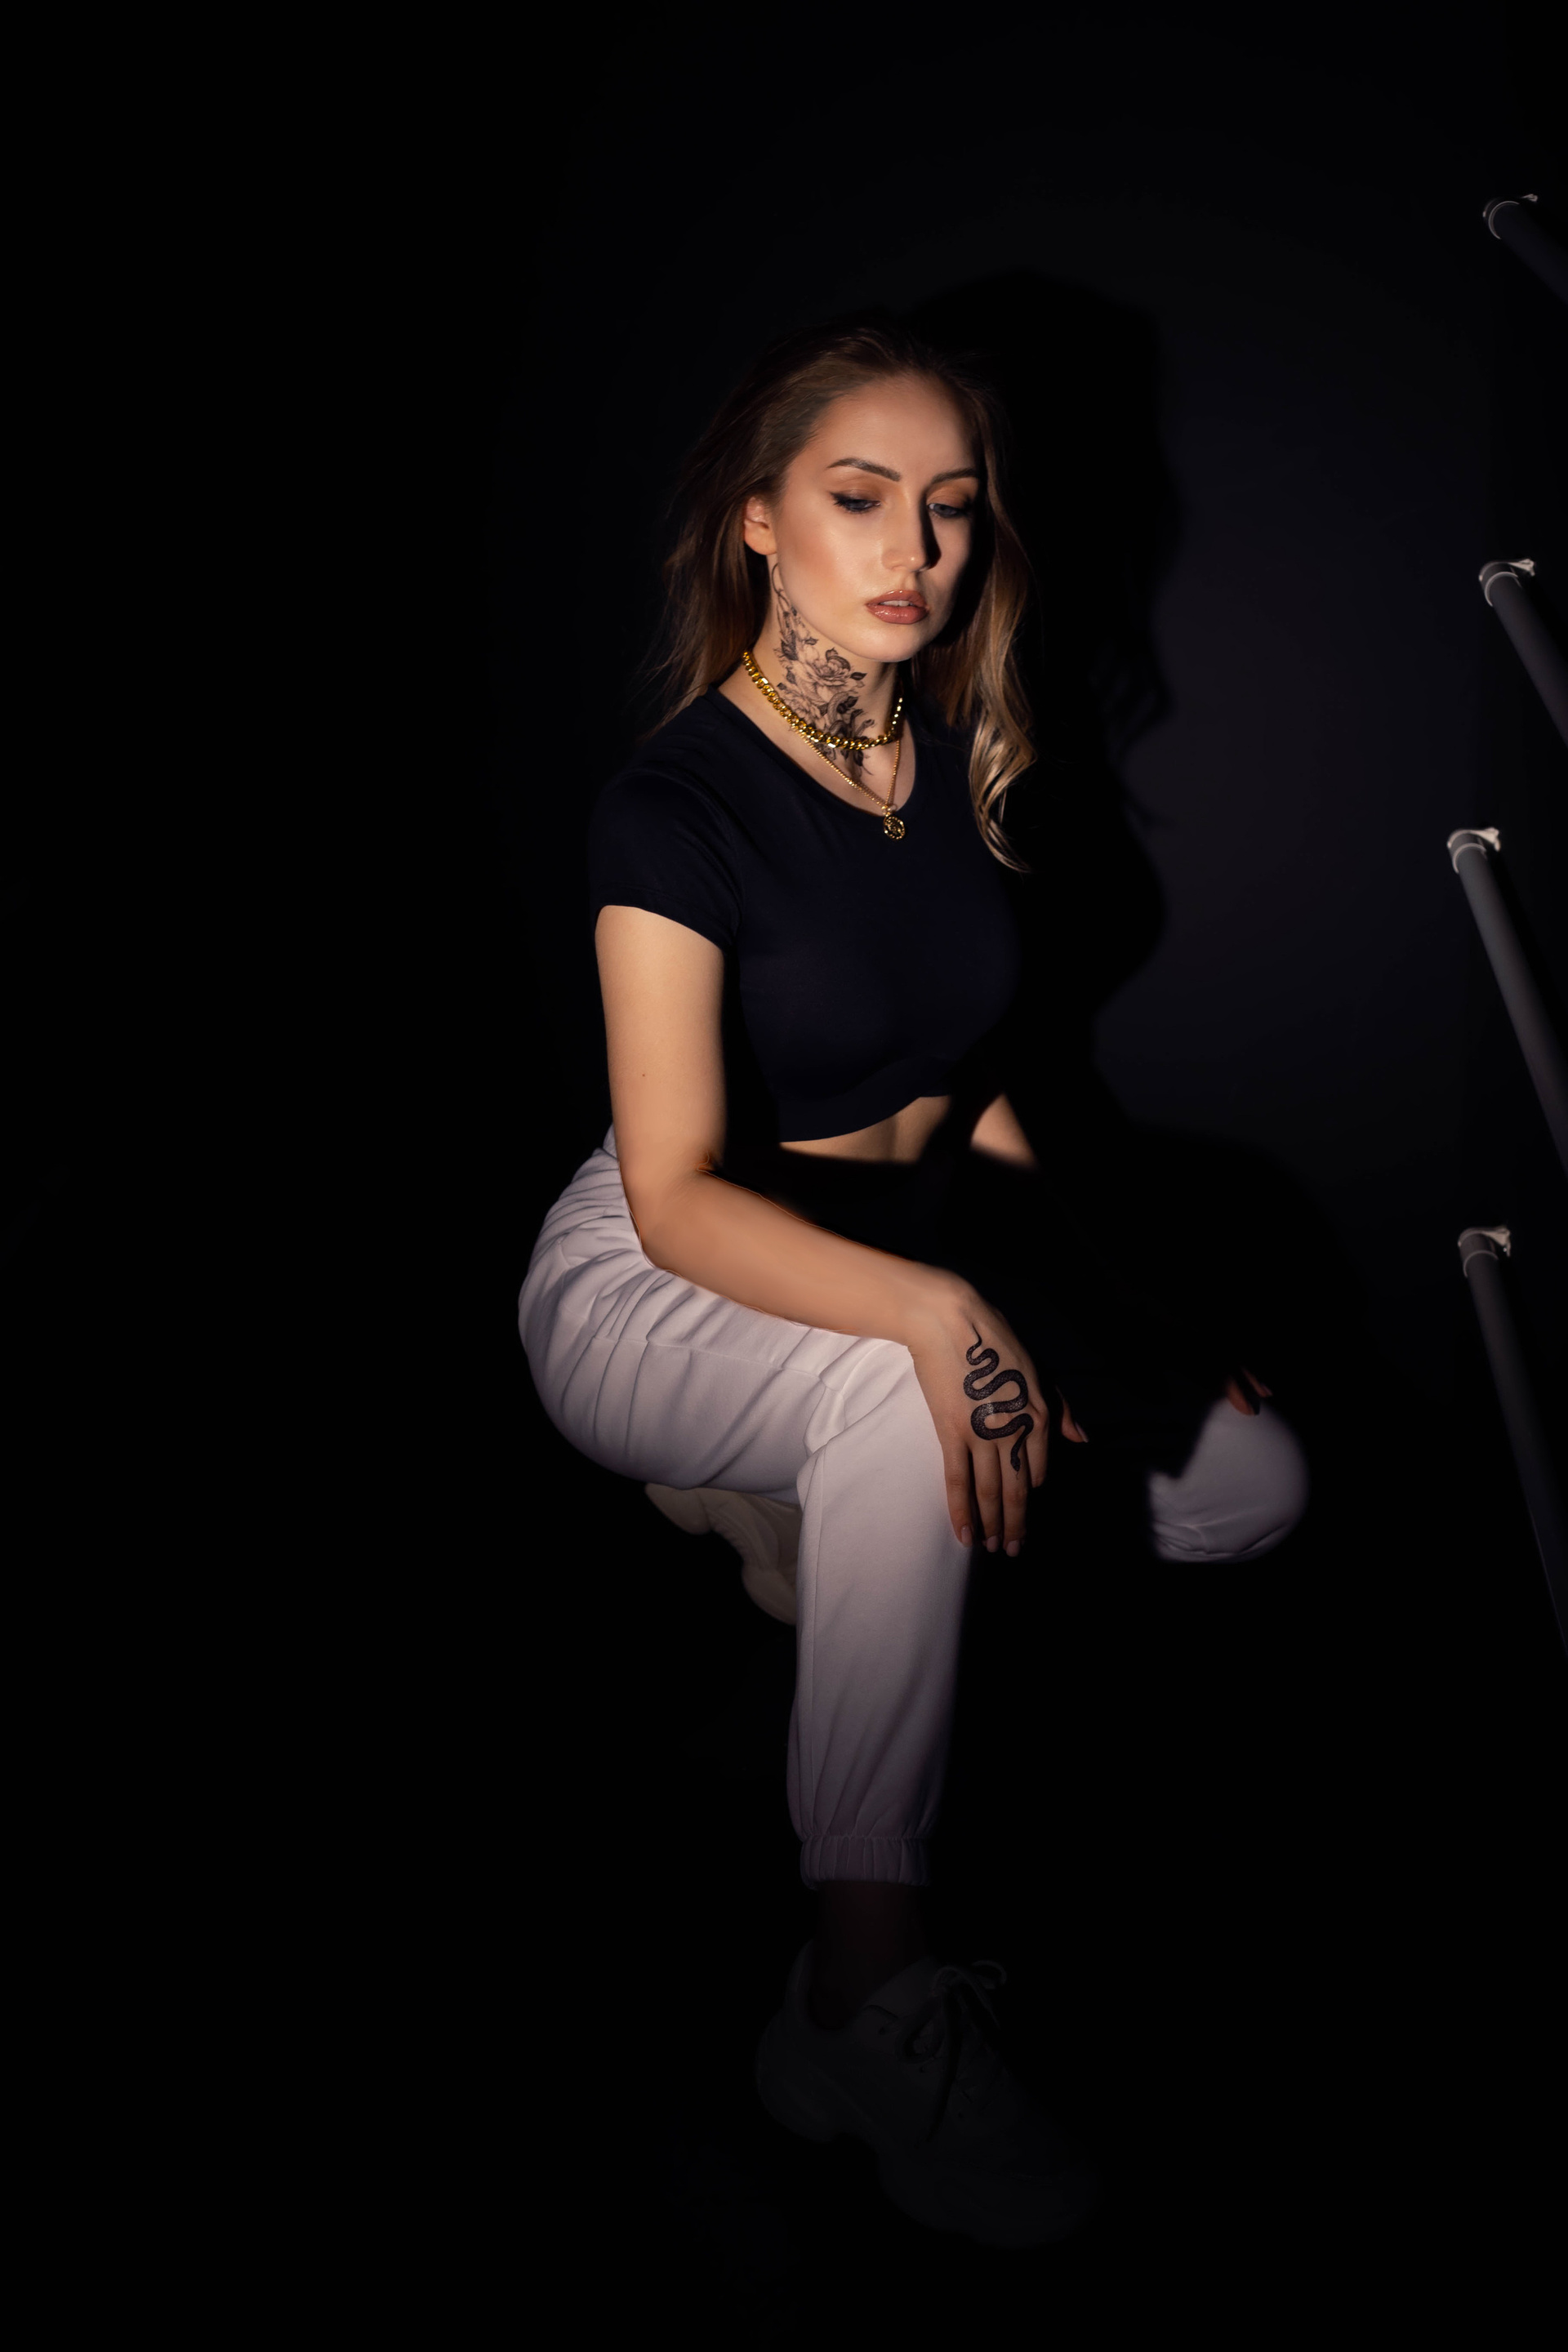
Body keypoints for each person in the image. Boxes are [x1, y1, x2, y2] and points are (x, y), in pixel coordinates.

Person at [518, 315, 1308, 2247]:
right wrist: (943, 1319)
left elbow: (973, 1088)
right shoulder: (675, 808)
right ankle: (859, 1995)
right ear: (760, 522)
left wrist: (1107, 1314)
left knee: (1248, 1486)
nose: (915, 551)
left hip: (895, 1255)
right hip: (666, 1276)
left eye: (952, 508)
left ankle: (835, 1513)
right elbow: (680, 1192)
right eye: (861, 498)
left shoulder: (944, 749)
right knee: (901, 1385)